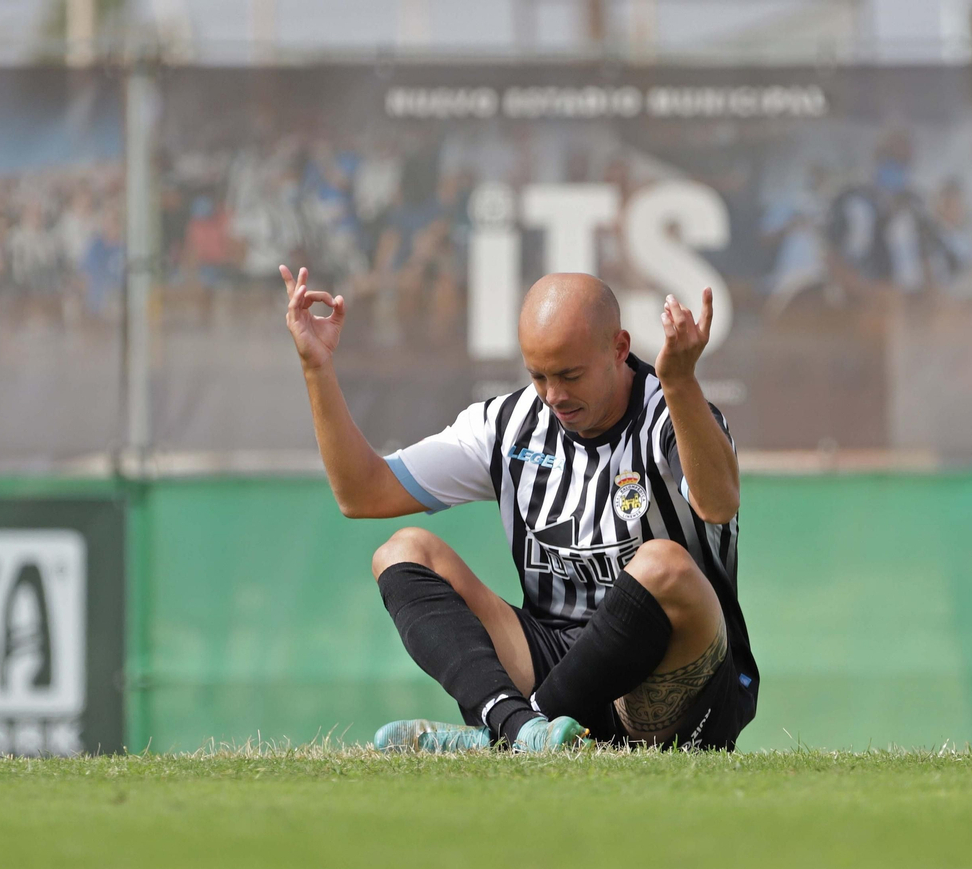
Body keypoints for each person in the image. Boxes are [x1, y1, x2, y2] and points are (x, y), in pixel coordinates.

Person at [279, 265, 758, 752]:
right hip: (551, 667)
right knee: (404, 551)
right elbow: (362, 494)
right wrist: (317, 368)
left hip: (674, 686)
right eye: (538, 376)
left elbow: (718, 505)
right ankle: (522, 729)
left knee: (664, 564)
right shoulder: (509, 425)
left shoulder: (673, 412)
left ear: (618, 348)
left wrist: (679, 384)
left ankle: (502, 740)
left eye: (570, 376)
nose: (554, 396)